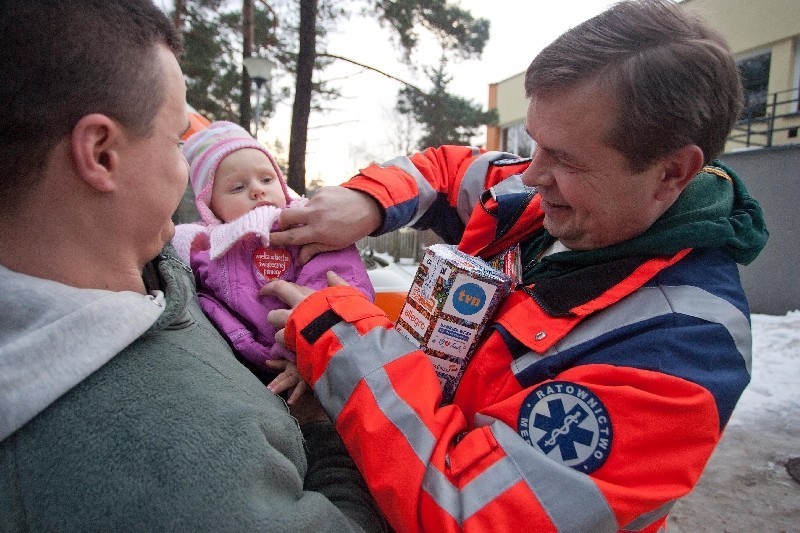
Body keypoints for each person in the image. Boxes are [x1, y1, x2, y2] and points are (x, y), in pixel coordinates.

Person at [264, 1, 769, 531]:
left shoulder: (677, 354)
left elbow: (470, 512)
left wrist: (340, 338)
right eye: (533, 144)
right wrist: (367, 202)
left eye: (565, 157)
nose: (530, 175)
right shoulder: (548, 200)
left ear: (672, 172)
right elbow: (442, 169)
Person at [0, 1, 386, 531]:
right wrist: (332, 417)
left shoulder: (157, 262)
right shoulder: (181, 486)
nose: (186, 168)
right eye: (178, 140)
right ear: (101, 153)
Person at [172, 121, 374, 402]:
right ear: (210, 206)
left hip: (314, 355)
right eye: (238, 187)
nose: (257, 190)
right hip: (242, 367)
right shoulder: (204, 249)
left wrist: (304, 354)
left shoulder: (303, 228)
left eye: (266, 180)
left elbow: (340, 282)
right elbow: (207, 306)